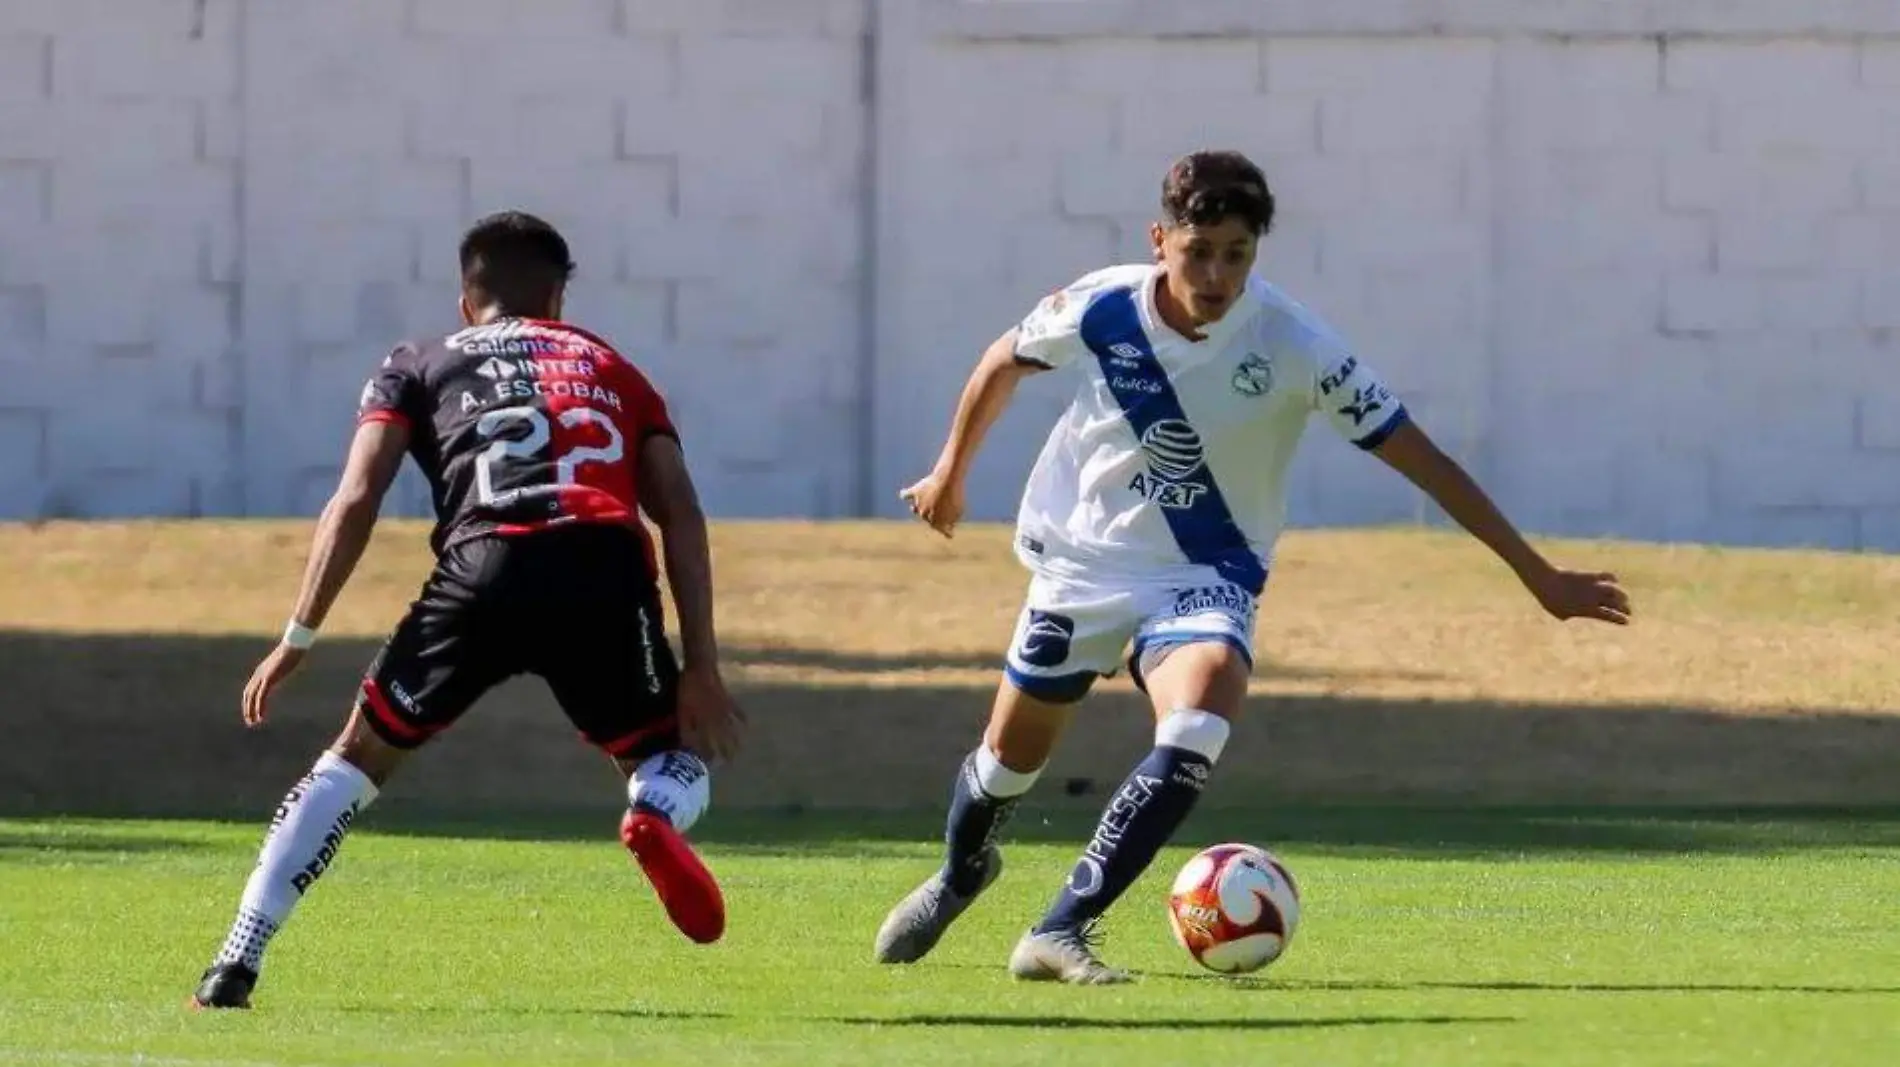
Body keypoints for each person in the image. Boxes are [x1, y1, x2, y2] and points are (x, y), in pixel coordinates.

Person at [872, 150, 1632, 984]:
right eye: (1199, 250)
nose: (1216, 273)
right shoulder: (1099, 307)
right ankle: (961, 871)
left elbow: (1424, 459)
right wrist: (950, 472)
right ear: (1160, 239)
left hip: (1207, 570)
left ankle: (1062, 926)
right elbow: (1001, 361)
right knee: (1008, 765)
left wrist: (1536, 573)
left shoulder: (1296, 344)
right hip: (1083, 565)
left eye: (1236, 253)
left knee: (1201, 712)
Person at [189, 211, 745, 1010]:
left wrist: (297, 635)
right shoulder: (615, 367)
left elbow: (356, 497)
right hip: (601, 565)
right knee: (669, 757)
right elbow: (680, 510)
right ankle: (655, 813)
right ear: (557, 296)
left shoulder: (416, 361)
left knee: (353, 760)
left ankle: (235, 960)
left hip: (483, 566)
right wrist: (703, 666)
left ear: (465, 298)